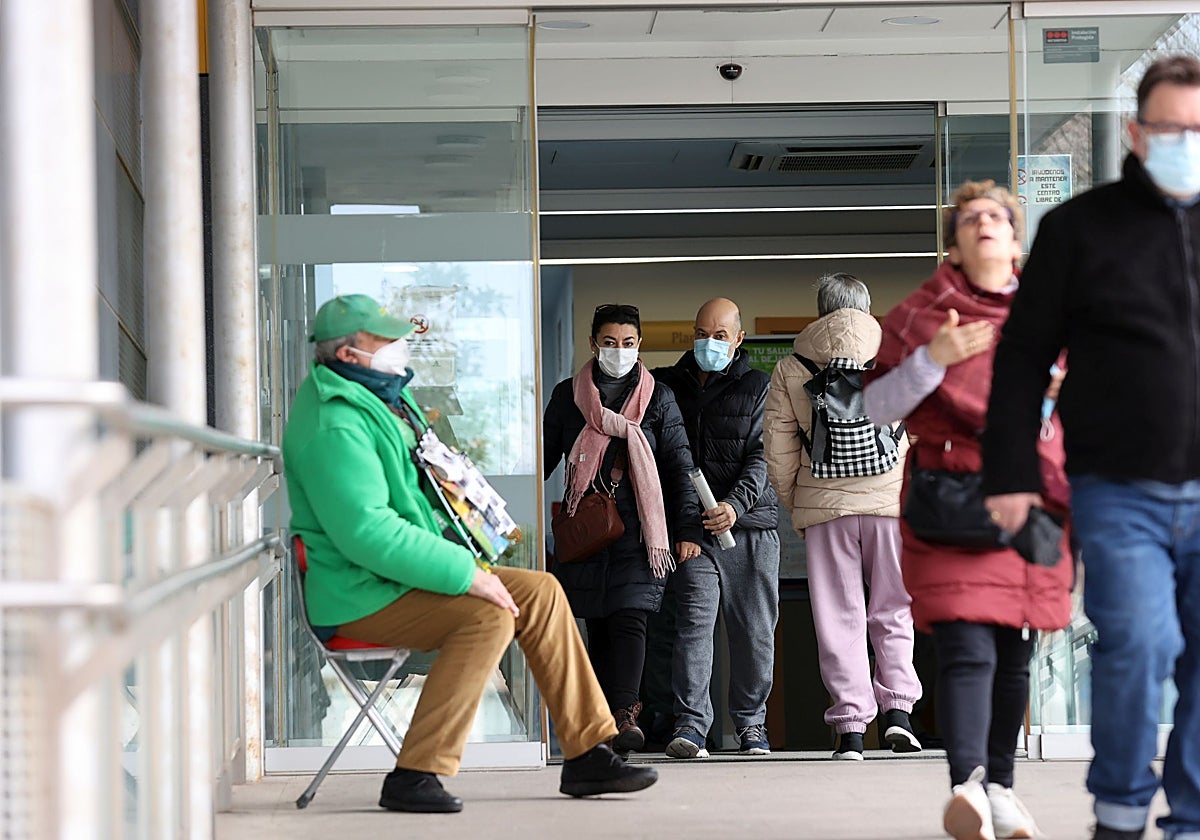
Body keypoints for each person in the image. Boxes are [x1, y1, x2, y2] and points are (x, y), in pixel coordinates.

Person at [283, 294, 657, 814]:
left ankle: (589, 753)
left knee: (542, 591)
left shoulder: (380, 399)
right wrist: (467, 573)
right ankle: (416, 772)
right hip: (360, 595)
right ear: (349, 355)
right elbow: (370, 534)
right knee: (487, 615)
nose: (400, 347)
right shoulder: (335, 424)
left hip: (394, 579)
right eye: (385, 340)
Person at [983, 55, 1200, 840]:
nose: (1186, 143)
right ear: (1137, 133)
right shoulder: (1079, 229)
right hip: (1120, 488)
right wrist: (1011, 474)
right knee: (1139, 645)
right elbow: (1021, 359)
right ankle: (1120, 812)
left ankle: (1192, 819)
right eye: (1171, 128)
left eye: (1199, 130)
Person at [863, 181, 1074, 840]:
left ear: (1015, 240)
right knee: (965, 646)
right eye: (970, 218)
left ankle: (1002, 791)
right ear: (952, 245)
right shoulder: (920, 315)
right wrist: (933, 360)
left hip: (1032, 501)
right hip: (951, 500)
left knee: (1015, 653)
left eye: (998, 217)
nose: (984, 223)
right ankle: (968, 786)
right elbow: (875, 406)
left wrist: (1058, 394)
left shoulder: (1055, 313)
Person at [764, 273, 922, 761]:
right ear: (867, 308)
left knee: (838, 616)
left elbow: (778, 451)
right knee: (894, 606)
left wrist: (799, 504)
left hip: (824, 508)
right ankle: (898, 713)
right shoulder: (896, 355)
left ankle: (851, 728)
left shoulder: (792, 365)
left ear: (820, 310)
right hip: (889, 504)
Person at [544, 303, 704, 753]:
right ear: (593, 344)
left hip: (640, 532)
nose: (620, 350)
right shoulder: (567, 396)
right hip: (588, 529)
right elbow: (543, 456)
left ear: (640, 344)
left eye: (628, 343)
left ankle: (625, 714)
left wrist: (688, 529)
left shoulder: (658, 398)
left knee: (631, 617)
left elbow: (678, 466)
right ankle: (601, 720)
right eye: (610, 342)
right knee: (598, 622)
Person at [650, 297, 780, 759]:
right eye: (702, 334)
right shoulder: (667, 385)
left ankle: (751, 724)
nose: (709, 343)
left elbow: (763, 456)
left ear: (738, 338)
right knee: (693, 626)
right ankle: (691, 725)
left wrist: (734, 505)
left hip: (750, 528)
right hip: (695, 530)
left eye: (720, 335)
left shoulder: (760, 386)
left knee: (754, 633)